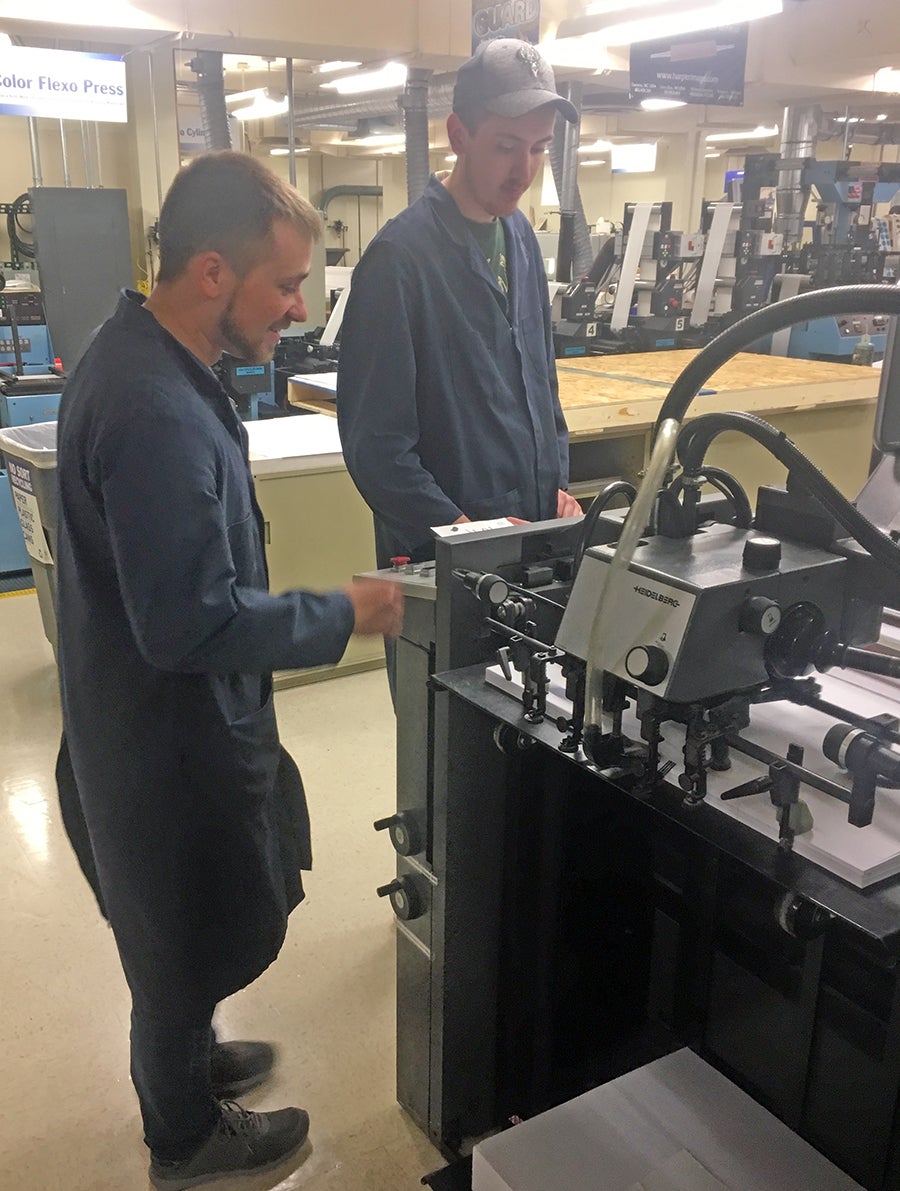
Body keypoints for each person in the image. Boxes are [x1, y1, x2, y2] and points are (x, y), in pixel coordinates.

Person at [54, 150, 403, 1190]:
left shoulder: (135, 358)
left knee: (171, 928)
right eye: (286, 283)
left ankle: (191, 1066)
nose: (298, 306)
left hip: (138, 721)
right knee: (172, 937)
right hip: (164, 737)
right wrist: (342, 610)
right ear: (213, 272)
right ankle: (185, 1135)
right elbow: (189, 626)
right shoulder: (156, 410)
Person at [337, 37, 582, 580]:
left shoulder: (519, 237)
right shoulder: (398, 263)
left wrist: (556, 485)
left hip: (533, 539)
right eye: (506, 146)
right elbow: (376, 450)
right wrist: (462, 532)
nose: (525, 170)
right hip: (445, 559)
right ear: (459, 136)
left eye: (539, 148)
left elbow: (541, 381)